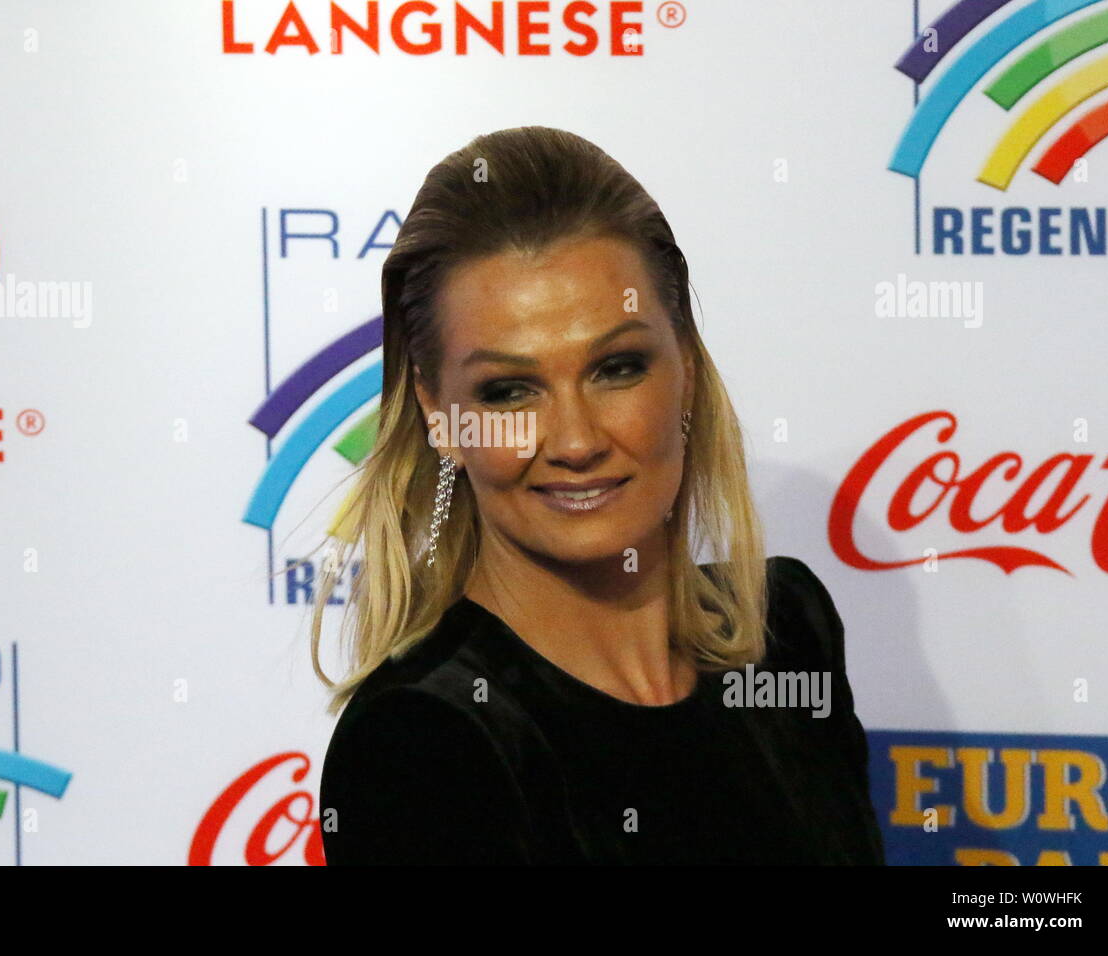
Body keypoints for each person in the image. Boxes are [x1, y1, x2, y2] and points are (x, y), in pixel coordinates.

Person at [309, 126, 885, 865]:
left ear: (687, 366)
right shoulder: (423, 743)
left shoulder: (787, 630)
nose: (576, 440)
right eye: (508, 390)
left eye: (616, 368)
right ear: (437, 413)